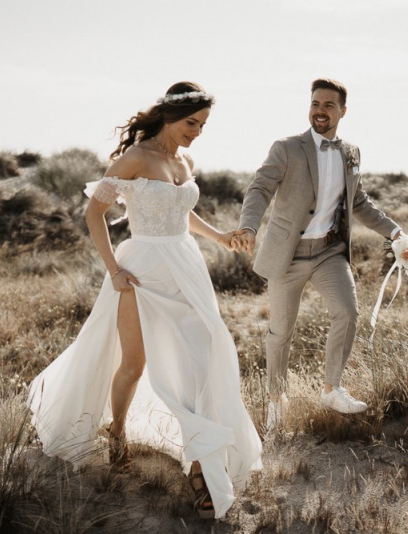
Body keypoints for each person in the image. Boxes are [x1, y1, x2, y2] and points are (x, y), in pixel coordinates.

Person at [28, 81, 262, 520]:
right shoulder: (134, 158)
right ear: (169, 116)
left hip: (186, 267)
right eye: (192, 122)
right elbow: (93, 213)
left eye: (204, 124)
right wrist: (113, 270)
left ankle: (200, 463)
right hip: (141, 268)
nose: (197, 131)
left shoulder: (185, 159)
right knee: (134, 363)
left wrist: (220, 236)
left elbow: (180, 211)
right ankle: (116, 433)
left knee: (200, 359)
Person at [233, 78, 402, 432]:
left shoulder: (351, 153)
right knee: (281, 332)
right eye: (315, 103)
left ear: (342, 110)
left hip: (329, 252)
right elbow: (260, 188)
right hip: (287, 255)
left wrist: (395, 232)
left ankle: (332, 388)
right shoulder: (287, 148)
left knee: (348, 311)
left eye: (328, 105)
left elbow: (358, 202)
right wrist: (249, 226)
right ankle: (276, 402)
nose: (320, 111)